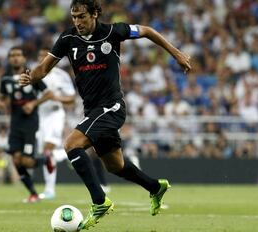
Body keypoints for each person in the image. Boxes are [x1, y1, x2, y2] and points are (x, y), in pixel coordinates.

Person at [19, 0, 191, 229]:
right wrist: (32, 77)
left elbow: (147, 31)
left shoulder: (113, 32)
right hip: (92, 110)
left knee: (71, 144)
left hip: (112, 106)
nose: (77, 22)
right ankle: (155, 187)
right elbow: (44, 68)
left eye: (82, 17)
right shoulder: (68, 39)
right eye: (74, 17)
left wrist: (176, 53)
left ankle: (99, 202)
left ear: (95, 14)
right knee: (115, 165)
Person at [0, 46, 55, 203]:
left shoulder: (32, 75)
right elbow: (3, 98)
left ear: (23, 58)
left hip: (30, 123)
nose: (15, 58)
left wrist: (33, 103)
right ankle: (33, 194)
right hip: (15, 124)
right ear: (9, 59)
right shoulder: (5, 79)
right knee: (16, 160)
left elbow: (49, 94)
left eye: (18, 55)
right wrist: (2, 104)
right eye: (12, 55)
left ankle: (46, 160)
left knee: (27, 162)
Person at [34, 47, 77, 200]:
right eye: (40, 56)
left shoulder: (61, 76)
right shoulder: (34, 74)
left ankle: (49, 190)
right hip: (39, 116)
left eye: (45, 56)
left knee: (47, 150)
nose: (42, 59)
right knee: (44, 153)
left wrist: (56, 98)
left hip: (55, 114)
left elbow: (71, 98)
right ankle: (63, 154)